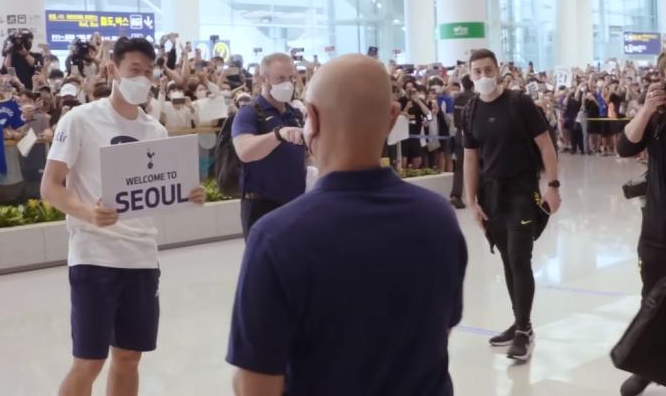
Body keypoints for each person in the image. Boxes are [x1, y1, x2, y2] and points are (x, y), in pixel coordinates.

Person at [226, 54, 467, 396]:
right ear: (392, 117)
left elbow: (255, 384)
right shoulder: (439, 218)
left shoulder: (276, 239)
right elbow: (439, 332)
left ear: (311, 119)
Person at [41, 37, 206, 396]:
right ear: (113, 69)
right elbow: (50, 186)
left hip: (141, 258)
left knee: (129, 357)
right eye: (134, 70)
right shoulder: (80, 119)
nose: (142, 79)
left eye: (148, 72)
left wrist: (190, 193)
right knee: (89, 362)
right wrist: (89, 213)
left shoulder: (155, 130)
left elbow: (162, 188)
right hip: (94, 256)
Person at [463, 48, 560, 362]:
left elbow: (545, 145)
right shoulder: (470, 110)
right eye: (477, 71)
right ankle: (519, 322)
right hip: (492, 196)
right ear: (470, 75)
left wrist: (553, 186)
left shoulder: (520, 103)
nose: (483, 76)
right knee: (507, 259)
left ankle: (524, 329)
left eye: (488, 69)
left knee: (520, 259)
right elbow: (470, 158)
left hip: (522, 192)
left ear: (498, 70)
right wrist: (471, 200)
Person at [616, 52, 666, 396]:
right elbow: (625, 147)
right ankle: (646, 366)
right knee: (651, 298)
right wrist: (647, 110)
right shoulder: (656, 116)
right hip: (657, 227)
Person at [231, 52, 306, 239]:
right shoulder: (249, 112)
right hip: (262, 206)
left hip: (295, 202)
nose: (288, 83)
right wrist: (278, 134)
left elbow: (305, 154)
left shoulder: (295, 114)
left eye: (291, 78)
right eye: (280, 78)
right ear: (263, 79)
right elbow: (244, 151)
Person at [450, 74, 476, 209]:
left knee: (459, 167)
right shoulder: (475, 98)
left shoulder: (457, 98)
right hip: (472, 135)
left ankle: (456, 195)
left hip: (459, 133)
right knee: (478, 164)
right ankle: (480, 195)